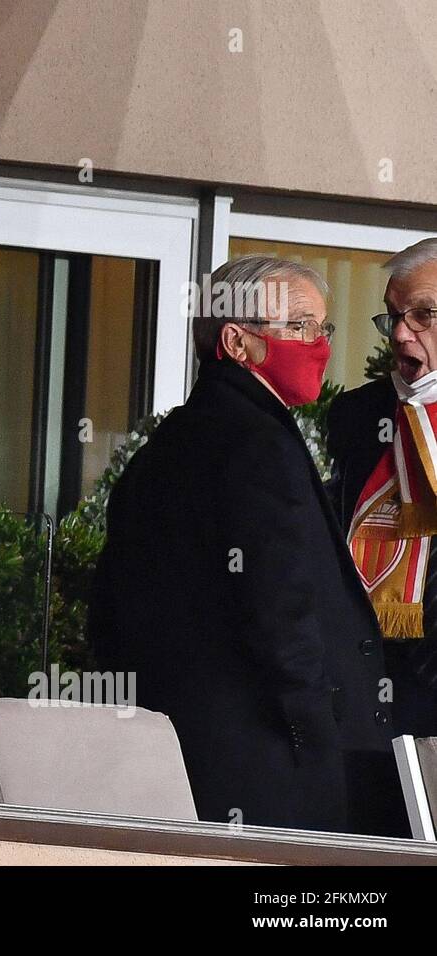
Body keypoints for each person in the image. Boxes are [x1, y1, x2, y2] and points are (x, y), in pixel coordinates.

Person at [87, 254, 406, 836]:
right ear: (237, 341)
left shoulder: (163, 448)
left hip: (188, 761)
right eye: (300, 327)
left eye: (324, 328)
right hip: (277, 773)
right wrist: (320, 745)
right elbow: (281, 611)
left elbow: (109, 617)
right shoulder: (257, 444)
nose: (320, 345)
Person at [326, 238, 437, 739]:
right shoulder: (358, 413)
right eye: (393, 316)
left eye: (422, 315)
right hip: (371, 677)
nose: (399, 333)